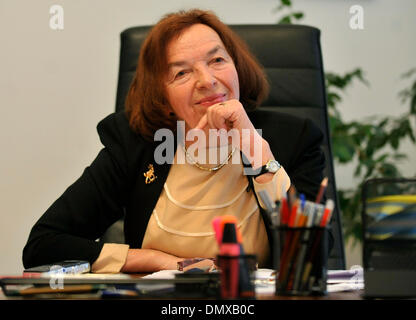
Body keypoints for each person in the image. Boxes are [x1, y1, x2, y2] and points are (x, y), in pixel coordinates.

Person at [22, 9, 326, 273]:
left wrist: (257, 152)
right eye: (182, 73)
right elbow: (45, 244)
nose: (207, 80)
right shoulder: (135, 144)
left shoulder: (295, 138)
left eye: (217, 60)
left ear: (237, 68)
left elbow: (314, 259)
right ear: (162, 97)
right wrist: (157, 261)